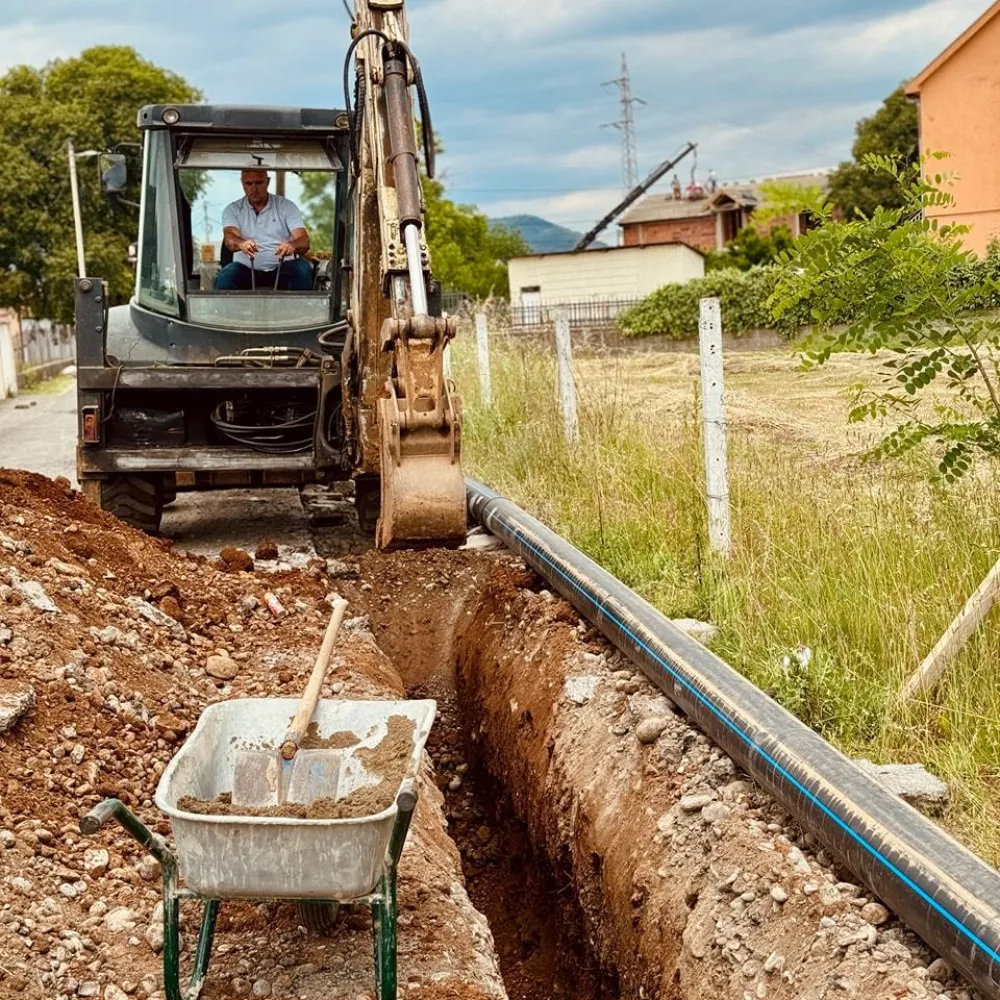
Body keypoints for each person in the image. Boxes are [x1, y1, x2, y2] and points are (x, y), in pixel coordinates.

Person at [216, 170, 312, 291]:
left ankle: (299, 310)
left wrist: (292, 245)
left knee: (302, 269)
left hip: (282, 269)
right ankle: (226, 310)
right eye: (248, 184)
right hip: (245, 270)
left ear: (268, 182)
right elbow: (229, 240)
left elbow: (304, 241)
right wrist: (242, 243)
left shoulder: (286, 206)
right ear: (242, 184)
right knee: (225, 276)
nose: (254, 189)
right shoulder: (233, 209)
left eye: (259, 183)